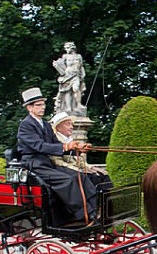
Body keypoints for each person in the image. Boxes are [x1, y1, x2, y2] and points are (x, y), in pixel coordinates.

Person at [17, 88, 97, 224]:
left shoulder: (46, 126)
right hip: (33, 164)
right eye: (39, 104)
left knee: (80, 176)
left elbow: (56, 145)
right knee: (68, 180)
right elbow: (39, 146)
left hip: (47, 163)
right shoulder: (25, 126)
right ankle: (83, 215)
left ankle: (94, 209)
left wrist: (77, 148)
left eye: (43, 104)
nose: (43, 107)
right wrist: (66, 146)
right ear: (30, 108)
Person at [49, 111, 113, 193]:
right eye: (68, 124)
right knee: (93, 179)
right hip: (68, 172)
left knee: (104, 175)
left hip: (78, 171)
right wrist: (79, 170)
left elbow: (80, 161)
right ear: (58, 127)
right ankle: (93, 204)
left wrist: (91, 167)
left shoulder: (71, 140)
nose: (71, 127)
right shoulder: (55, 141)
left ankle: (106, 204)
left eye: (71, 124)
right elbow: (57, 161)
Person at [52, 42, 86, 114]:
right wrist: (56, 65)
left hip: (76, 75)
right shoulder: (65, 56)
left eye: (67, 48)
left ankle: (78, 104)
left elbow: (81, 66)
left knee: (76, 89)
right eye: (65, 48)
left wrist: (83, 74)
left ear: (72, 47)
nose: (66, 49)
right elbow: (61, 65)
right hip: (67, 76)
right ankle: (68, 107)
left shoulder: (78, 56)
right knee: (67, 91)